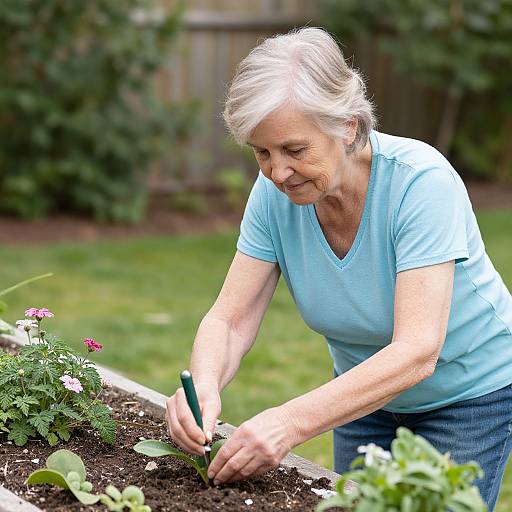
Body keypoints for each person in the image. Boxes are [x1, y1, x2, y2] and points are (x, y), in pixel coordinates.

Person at [165, 27, 512, 510]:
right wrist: (203, 384)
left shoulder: (421, 184)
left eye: (294, 150)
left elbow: (416, 350)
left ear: (348, 125)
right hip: (362, 397)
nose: (276, 172)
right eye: (261, 152)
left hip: (467, 395)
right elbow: (230, 318)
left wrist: (289, 422)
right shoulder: (274, 196)